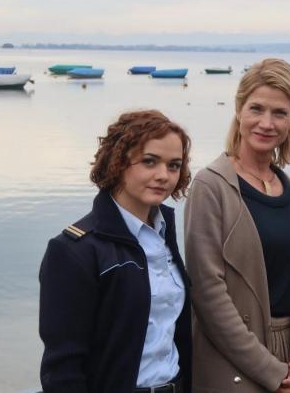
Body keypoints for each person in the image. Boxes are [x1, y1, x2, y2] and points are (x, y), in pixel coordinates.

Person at [184, 58, 290, 393]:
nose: (266, 123)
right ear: (238, 109)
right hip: (233, 366)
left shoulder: (289, 188)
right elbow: (207, 292)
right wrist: (268, 369)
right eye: (256, 109)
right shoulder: (210, 186)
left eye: (279, 113)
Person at [39, 109, 193, 393]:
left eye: (174, 165)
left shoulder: (164, 234)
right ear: (118, 162)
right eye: (149, 161)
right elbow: (62, 369)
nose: (163, 175)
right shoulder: (74, 250)